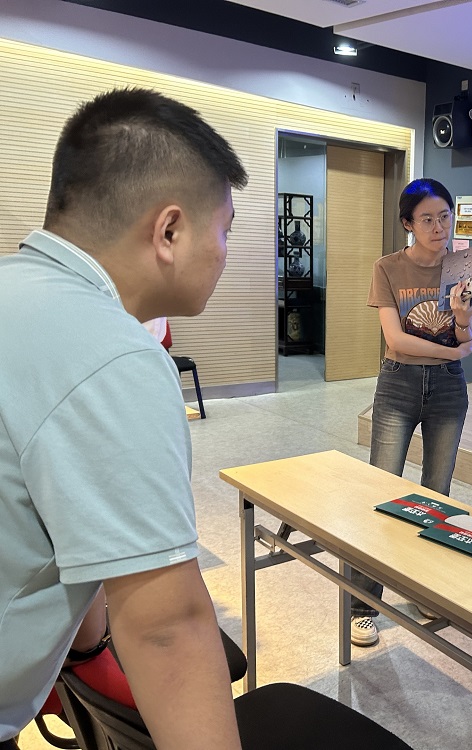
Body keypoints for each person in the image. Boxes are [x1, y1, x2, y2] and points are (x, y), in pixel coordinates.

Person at [0, 88, 248, 748]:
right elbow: (167, 629)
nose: (225, 250)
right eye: (225, 229)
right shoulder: (113, 354)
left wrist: (81, 651)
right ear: (169, 232)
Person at [349, 178, 472, 648]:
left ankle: (423, 590)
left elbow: (465, 337)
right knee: (382, 491)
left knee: (437, 496)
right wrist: (453, 351)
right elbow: (397, 340)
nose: (439, 226)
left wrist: (461, 319)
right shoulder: (387, 267)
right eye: (427, 219)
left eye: (445, 216)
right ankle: (362, 605)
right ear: (408, 223)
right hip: (399, 384)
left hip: (448, 389)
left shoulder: (465, 265)